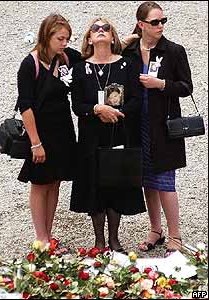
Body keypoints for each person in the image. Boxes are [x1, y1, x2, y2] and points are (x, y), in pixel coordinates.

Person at [122, 1, 193, 256]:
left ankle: (175, 234)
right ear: (141, 24)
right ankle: (155, 230)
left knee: (165, 181)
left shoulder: (174, 51)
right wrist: (122, 42)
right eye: (155, 22)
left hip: (163, 126)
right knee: (147, 181)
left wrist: (161, 84)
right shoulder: (129, 51)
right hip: (136, 125)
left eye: (163, 21)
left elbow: (186, 87)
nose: (161, 25)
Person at [70, 17, 146, 252]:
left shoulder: (127, 64)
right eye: (95, 28)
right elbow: (77, 105)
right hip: (91, 137)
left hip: (119, 133)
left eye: (106, 28)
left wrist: (117, 113)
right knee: (95, 185)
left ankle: (114, 239)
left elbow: (135, 99)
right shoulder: (80, 67)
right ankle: (99, 241)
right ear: (89, 38)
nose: (101, 31)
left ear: (113, 37)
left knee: (117, 185)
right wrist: (96, 110)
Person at [17, 14, 81, 246]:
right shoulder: (30, 64)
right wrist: (35, 142)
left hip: (63, 129)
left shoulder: (66, 58)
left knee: (55, 181)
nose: (65, 43)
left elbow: (93, 58)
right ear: (47, 36)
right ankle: (40, 238)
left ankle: (48, 234)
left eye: (67, 38)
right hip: (40, 132)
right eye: (60, 38)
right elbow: (25, 106)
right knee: (39, 182)